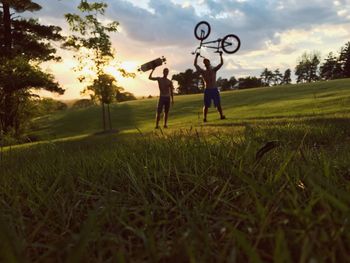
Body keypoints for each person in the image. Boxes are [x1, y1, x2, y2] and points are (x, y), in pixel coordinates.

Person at [194, 52, 226, 122]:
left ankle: (221, 116)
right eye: (204, 62)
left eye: (207, 61)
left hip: (214, 89)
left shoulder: (214, 70)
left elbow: (221, 63)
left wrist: (221, 55)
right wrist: (196, 56)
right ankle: (205, 118)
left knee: (218, 104)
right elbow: (195, 64)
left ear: (209, 62)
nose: (206, 63)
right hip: (207, 90)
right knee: (206, 105)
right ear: (204, 64)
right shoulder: (203, 71)